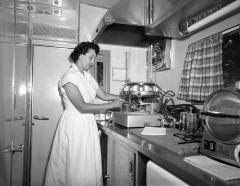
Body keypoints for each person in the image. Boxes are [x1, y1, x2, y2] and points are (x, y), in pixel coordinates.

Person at [44, 42, 123, 186]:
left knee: (87, 162)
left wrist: (121, 97)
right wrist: (112, 105)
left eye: (94, 58)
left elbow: (104, 95)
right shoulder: (69, 77)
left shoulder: (86, 76)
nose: (93, 62)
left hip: (87, 124)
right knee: (76, 164)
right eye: (90, 58)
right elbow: (82, 107)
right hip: (75, 125)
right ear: (80, 55)